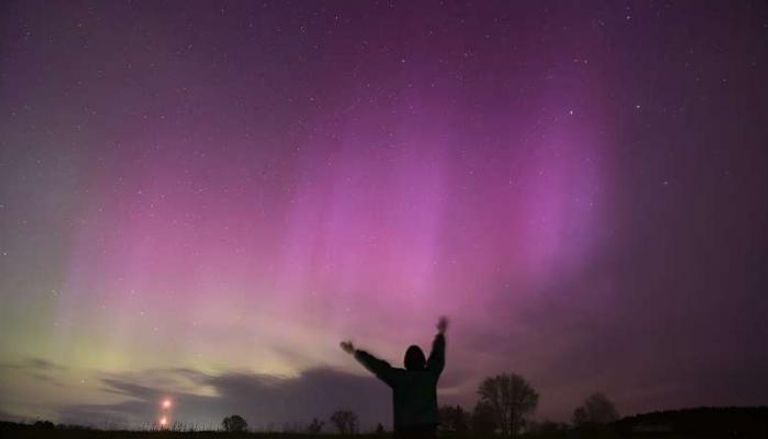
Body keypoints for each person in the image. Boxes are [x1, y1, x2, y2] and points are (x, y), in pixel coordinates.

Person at [340, 317, 448, 439]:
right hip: (428, 430)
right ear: (423, 361)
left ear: (406, 362)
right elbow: (437, 356)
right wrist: (440, 334)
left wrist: (355, 353)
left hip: (404, 431)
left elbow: (377, 366)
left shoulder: (399, 378)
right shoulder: (429, 376)